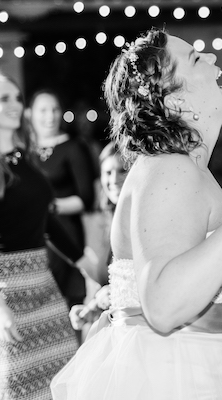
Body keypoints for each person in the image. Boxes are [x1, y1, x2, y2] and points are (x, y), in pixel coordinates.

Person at [50, 29, 222, 400]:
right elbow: (164, 305)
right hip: (179, 374)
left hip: (196, 359)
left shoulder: (182, 170)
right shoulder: (171, 171)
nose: (214, 60)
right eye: (197, 59)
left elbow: (185, 283)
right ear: (176, 102)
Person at [0, 73, 79, 400]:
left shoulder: (26, 160)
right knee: (20, 387)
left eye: (16, 97)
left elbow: (47, 221)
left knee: (64, 376)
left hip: (41, 279)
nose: (15, 105)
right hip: (3, 289)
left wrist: (82, 264)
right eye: (3, 98)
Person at [29, 90, 96, 308]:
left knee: (67, 302)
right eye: (43, 110)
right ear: (30, 114)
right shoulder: (24, 152)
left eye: (55, 109)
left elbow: (87, 198)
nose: (50, 116)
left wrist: (49, 207)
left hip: (66, 231)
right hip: (33, 235)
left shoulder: (73, 147)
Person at [67, 142, 129, 331]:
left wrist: (113, 293)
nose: (114, 179)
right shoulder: (100, 221)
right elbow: (100, 285)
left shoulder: (140, 221)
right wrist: (90, 309)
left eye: (122, 170)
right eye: (107, 173)